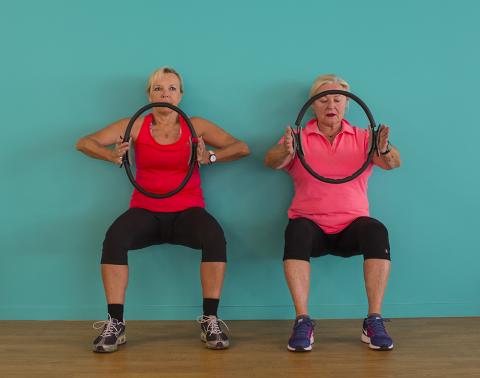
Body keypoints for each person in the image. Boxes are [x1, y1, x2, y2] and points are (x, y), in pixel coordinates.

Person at [76, 67, 250, 352]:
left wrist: (211, 156)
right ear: (149, 95)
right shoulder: (135, 125)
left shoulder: (196, 127)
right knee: (115, 238)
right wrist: (110, 155)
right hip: (146, 210)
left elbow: (241, 147)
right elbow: (84, 142)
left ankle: (210, 320)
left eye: (171, 88)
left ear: (180, 96)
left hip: (188, 211)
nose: (165, 94)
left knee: (214, 236)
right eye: (158, 88)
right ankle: (115, 323)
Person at [264, 74, 401, 352]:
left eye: (338, 99)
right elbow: (272, 161)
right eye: (324, 99)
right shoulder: (297, 137)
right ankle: (303, 321)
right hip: (310, 227)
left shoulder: (365, 138)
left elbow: (393, 163)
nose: (331, 104)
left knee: (376, 230)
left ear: (347, 104)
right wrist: (285, 150)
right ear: (313, 105)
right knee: (296, 230)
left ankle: (373, 320)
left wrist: (383, 147)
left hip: (352, 228)